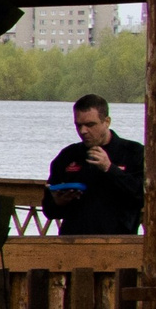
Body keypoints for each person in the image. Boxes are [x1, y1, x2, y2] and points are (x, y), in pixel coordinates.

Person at [45, 93, 146, 235]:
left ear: (107, 122)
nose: (83, 131)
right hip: (73, 242)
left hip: (118, 242)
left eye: (90, 125)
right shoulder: (68, 155)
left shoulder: (133, 152)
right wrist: (58, 202)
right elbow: (49, 210)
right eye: (78, 125)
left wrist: (110, 169)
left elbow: (143, 195)